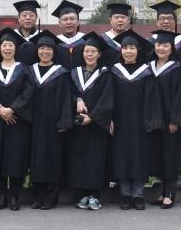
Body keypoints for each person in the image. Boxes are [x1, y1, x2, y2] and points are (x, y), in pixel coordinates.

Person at [0, 28, 33, 211]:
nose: (7, 48)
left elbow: (28, 92)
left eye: (11, 45)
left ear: (15, 48)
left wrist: (12, 109)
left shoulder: (24, 69)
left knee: (16, 158)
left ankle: (14, 197)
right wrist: (0, 108)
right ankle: (2, 196)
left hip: (18, 121)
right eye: (4, 45)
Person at [64, 33, 112, 211]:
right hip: (77, 125)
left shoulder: (105, 74)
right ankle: (82, 195)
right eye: (86, 51)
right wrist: (77, 100)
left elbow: (107, 100)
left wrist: (92, 117)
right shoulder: (74, 73)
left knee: (95, 160)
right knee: (78, 159)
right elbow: (67, 93)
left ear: (99, 54)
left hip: (96, 126)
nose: (89, 54)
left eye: (93, 51)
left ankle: (95, 195)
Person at [109, 30, 155, 210]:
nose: (128, 51)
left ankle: (138, 194)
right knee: (122, 155)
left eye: (132, 48)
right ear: (120, 51)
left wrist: (150, 120)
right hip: (119, 121)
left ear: (138, 50)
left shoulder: (146, 72)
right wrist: (109, 118)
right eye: (125, 48)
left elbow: (151, 98)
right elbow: (109, 97)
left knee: (139, 155)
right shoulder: (114, 71)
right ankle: (125, 194)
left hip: (140, 122)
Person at [26, 32, 73, 209]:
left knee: (53, 158)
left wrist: (63, 122)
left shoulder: (60, 73)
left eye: (48, 49)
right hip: (33, 122)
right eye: (42, 48)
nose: (45, 51)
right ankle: (37, 195)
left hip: (53, 124)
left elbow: (65, 99)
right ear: (37, 51)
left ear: (54, 51)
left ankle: (51, 197)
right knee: (36, 159)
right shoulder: (29, 71)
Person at [145, 30, 181, 209]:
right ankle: (161, 193)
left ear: (172, 48)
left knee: (170, 156)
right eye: (158, 45)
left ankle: (170, 193)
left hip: (170, 121)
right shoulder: (149, 67)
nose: (161, 48)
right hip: (153, 121)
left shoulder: (176, 68)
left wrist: (175, 120)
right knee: (157, 156)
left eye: (165, 45)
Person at [149, 0, 181, 70]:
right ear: (157, 22)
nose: (166, 21)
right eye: (162, 18)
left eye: (169, 18)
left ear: (174, 21)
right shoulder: (149, 43)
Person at [99, 1, 145, 67]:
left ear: (128, 20)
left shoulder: (135, 38)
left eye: (123, 17)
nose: (120, 20)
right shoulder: (102, 39)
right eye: (116, 17)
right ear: (111, 20)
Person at [51, 0, 87, 68]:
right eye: (65, 19)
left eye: (72, 19)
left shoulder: (86, 40)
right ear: (59, 23)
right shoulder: (55, 43)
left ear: (78, 22)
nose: (69, 22)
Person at [13, 0, 43, 65]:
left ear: (36, 18)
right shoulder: (12, 36)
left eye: (31, 15)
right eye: (24, 15)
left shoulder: (41, 37)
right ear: (18, 18)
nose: (28, 18)